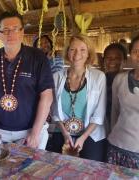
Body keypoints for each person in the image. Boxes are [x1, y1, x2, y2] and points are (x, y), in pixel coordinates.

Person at [0, 11, 54, 149]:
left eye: (15, 29)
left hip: (31, 131)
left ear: (22, 32)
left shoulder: (38, 57)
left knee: (32, 170)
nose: (10, 34)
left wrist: (35, 133)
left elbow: (47, 96)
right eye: (5, 30)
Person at [51, 34, 107, 162]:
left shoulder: (99, 77)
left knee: (91, 170)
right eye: (72, 49)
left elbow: (99, 114)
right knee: (60, 169)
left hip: (91, 134)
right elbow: (54, 111)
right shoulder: (57, 77)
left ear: (89, 54)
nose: (77, 54)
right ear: (67, 52)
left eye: (83, 50)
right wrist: (66, 135)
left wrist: (82, 138)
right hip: (63, 132)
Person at [107, 36, 139, 169]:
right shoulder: (120, 79)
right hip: (117, 147)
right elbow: (115, 112)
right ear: (130, 55)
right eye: (136, 51)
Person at [102, 43, 127, 132]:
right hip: (102, 129)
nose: (112, 61)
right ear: (103, 60)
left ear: (124, 61)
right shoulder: (99, 81)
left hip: (124, 130)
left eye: (117, 58)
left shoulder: (129, 81)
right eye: (108, 58)